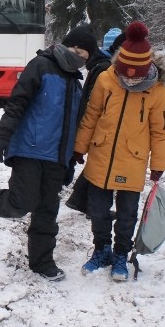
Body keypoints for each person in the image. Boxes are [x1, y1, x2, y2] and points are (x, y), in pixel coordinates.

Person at [0, 24, 97, 281]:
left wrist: (69, 161)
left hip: (56, 158)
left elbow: (73, 125)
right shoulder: (40, 66)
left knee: (47, 211)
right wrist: (3, 136)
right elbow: (18, 102)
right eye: (77, 50)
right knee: (22, 204)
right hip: (29, 151)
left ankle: (42, 262)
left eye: (85, 57)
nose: (80, 58)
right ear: (66, 45)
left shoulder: (75, 83)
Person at [73, 21, 165, 281]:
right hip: (101, 156)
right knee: (99, 211)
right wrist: (79, 147)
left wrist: (158, 164)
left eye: (135, 76)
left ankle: (120, 255)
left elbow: (159, 132)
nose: (129, 79)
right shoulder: (106, 79)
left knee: (127, 215)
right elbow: (91, 116)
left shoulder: (158, 92)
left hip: (133, 160)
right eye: (124, 74)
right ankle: (102, 250)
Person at [64, 27, 127, 211]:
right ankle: (89, 205)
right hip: (99, 124)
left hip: (93, 122)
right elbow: (96, 102)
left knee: (97, 162)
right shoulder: (106, 68)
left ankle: (80, 200)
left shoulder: (99, 64)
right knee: (100, 164)